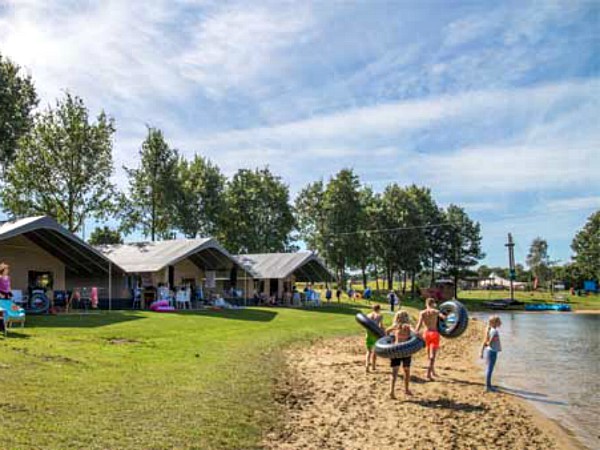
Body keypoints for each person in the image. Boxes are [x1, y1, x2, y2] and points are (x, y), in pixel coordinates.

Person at [415, 297, 446, 381]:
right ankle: (428, 373)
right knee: (433, 356)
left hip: (426, 334)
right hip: (434, 334)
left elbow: (419, 324)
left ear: (426, 304)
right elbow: (444, 318)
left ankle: (432, 371)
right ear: (432, 304)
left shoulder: (422, 313)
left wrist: (416, 332)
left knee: (429, 353)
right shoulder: (436, 312)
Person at [386, 310, 414, 399]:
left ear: (397, 318)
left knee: (394, 372)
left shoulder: (395, 326)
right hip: (406, 350)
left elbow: (387, 331)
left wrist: (391, 340)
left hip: (396, 349)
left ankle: (391, 391)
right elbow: (415, 334)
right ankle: (406, 389)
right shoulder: (408, 326)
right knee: (406, 370)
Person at [481, 315, 502, 392]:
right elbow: (490, 341)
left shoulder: (490, 330)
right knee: (490, 369)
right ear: (494, 323)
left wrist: (482, 351)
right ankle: (488, 387)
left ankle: (488, 385)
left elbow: (487, 341)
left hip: (490, 351)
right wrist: (488, 344)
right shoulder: (494, 331)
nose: (501, 323)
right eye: (499, 322)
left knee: (489, 368)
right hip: (492, 352)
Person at [364, 304, 384, 373]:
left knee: (368, 351)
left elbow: (365, 325)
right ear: (379, 309)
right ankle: (373, 366)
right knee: (375, 351)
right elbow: (380, 325)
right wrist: (384, 332)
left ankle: (367, 365)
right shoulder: (379, 316)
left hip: (368, 334)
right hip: (375, 334)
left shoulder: (368, 315)